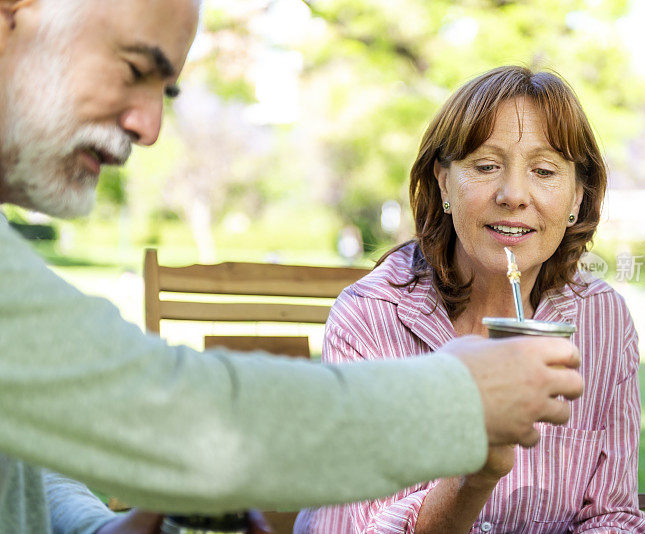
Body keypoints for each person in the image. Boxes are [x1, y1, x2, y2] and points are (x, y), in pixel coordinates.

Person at [0, 1, 585, 532]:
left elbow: (18, 455)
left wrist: (99, 530)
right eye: (133, 69)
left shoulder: (598, 310)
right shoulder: (375, 307)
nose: (149, 128)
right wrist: (464, 397)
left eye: (166, 93)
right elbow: (169, 410)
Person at [297, 66, 645, 533]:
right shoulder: (371, 318)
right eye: (486, 166)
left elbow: (612, 515)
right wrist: (476, 472)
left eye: (544, 170)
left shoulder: (601, 319)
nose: (513, 195)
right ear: (444, 183)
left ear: (577, 197)